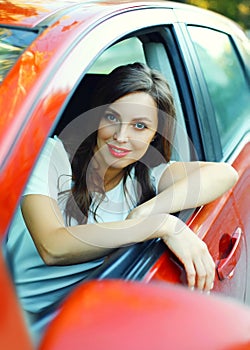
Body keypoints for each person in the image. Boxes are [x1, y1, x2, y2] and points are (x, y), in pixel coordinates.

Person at [3, 62, 238, 344]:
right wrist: (160, 224)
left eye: (140, 126)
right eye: (112, 118)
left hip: (66, 324)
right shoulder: (52, 157)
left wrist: (146, 210)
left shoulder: (147, 178)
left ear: (155, 134)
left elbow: (225, 173)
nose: (121, 136)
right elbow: (53, 246)